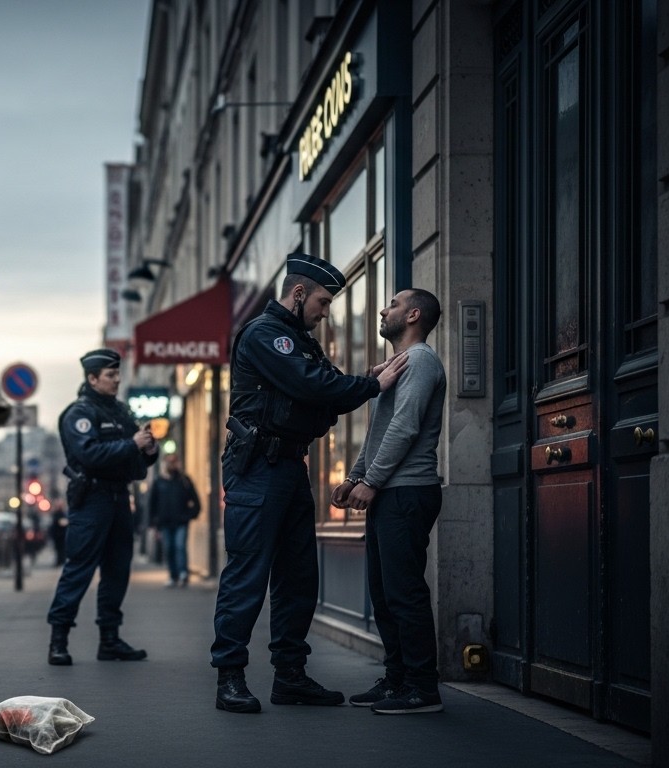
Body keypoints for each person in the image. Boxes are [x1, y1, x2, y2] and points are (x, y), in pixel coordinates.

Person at [212, 253, 408, 714]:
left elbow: (325, 395)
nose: (325, 311)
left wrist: (345, 388)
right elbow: (320, 388)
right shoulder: (266, 335)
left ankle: (290, 677)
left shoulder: (299, 339)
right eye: (322, 301)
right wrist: (369, 385)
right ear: (298, 294)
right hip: (257, 468)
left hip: (290, 469)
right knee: (247, 576)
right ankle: (230, 678)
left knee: (299, 577)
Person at [333, 289, 446, 715]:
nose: (383, 309)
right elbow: (380, 430)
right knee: (384, 595)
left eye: (393, 304)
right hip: (388, 491)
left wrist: (373, 480)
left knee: (404, 594)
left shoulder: (419, 361)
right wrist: (355, 477)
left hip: (407, 491)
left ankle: (422, 688)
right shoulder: (397, 368)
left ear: (413, 315)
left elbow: (405, 426)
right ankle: (397, 680)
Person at [46, 348, 159, 665]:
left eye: (117, 374)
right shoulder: (79, 414)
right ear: (92, 378)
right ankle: (59, 640)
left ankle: (109, 639)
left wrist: (149, 449)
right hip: (92, 500)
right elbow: (90, 455)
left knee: (117, 570)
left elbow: (137, 459)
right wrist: (131, 444)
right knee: (79, 570)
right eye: (110, 375)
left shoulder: (120, 412)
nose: (117, 380)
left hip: (119, 498)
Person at [148, 454, 200, 587]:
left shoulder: (184, 481)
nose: (172, 465)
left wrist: (189, 516)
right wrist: (153, 524)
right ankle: (173, 575)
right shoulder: (159, 481)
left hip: (181, 522)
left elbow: (196, 502)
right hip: (165, 523)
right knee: (169, 549)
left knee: (180, 546)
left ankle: (183, 573)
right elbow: (152, 505)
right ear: (164, 464)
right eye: (169, 462)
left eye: (174, 462)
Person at [48, 501, 68, 566]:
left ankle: (61, 561)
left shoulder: (60, 514)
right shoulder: (57, 514)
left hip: (60, 535)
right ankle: (60, 561)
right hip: (58, 535)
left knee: (61, 549)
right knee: (59, 549)